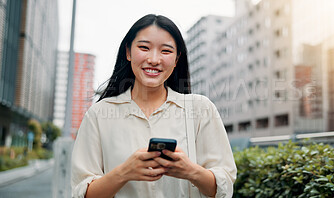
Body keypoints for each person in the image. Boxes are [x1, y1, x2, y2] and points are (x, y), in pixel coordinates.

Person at [71, 14, 237, 198]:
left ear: (176, 59)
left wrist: (190, 171)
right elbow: (81, 193)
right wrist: (124, 172)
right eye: (144, 47)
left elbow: (224, 188)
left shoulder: (201, 109)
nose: (154, 59)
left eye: (165, 51)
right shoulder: (98, 115)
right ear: (128, 52)